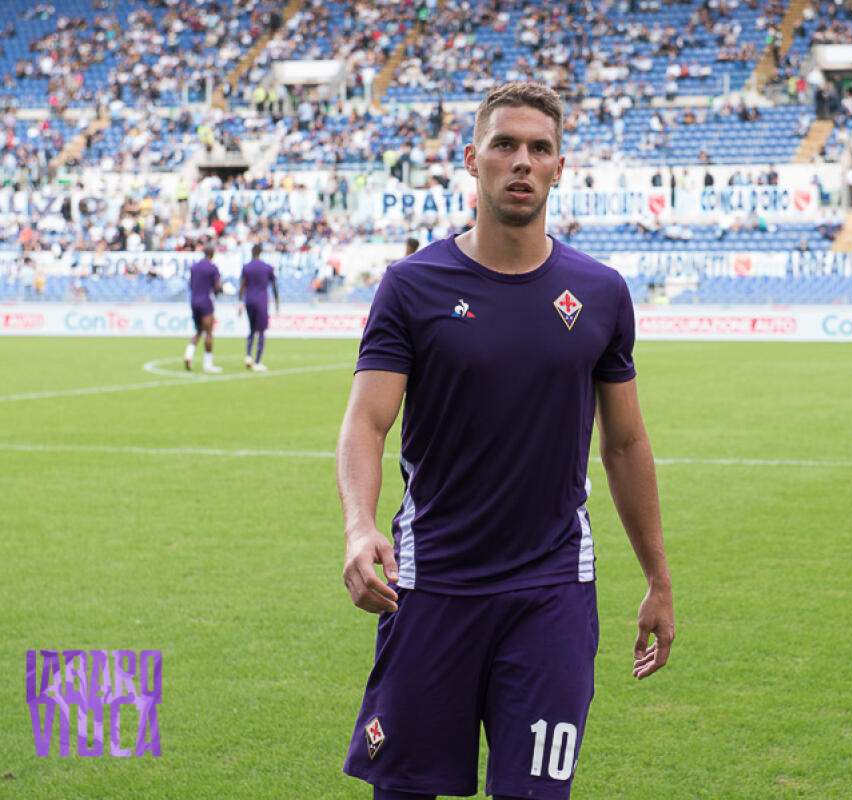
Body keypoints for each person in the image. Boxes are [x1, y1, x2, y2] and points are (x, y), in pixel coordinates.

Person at [336, 81, 675, 800]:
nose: (522, 161)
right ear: (472, 159)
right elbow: (367, 421)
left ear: (559, 167)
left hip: (551, 591)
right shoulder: (412, 285)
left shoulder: (602, 292)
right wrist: (360, 526)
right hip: (430, 587)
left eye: (539, 148)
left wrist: (658, 579)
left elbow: (624, 444)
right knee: (404, 791)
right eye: (505, 145)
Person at [237, 244, 279, 371]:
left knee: (251, 330)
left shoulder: (246, 267)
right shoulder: (267, 268)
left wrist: (240, 302)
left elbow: (242, 286)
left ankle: (248, 356)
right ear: (260, 253)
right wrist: (277, 301)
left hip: (249, 301)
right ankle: (257, 362)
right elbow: (274, 285)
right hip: (261, 301)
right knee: (261, 332)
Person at [185, 245, 222, 373]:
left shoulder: (194, 267)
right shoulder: (213, 268)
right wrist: (220, 291)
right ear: (212, 254)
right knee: (208, 332)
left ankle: (188, 354)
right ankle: (208, 364)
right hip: (206, 301)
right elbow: (217, 287)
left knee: (199, 331)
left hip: (194, 301)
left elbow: (190, 285)